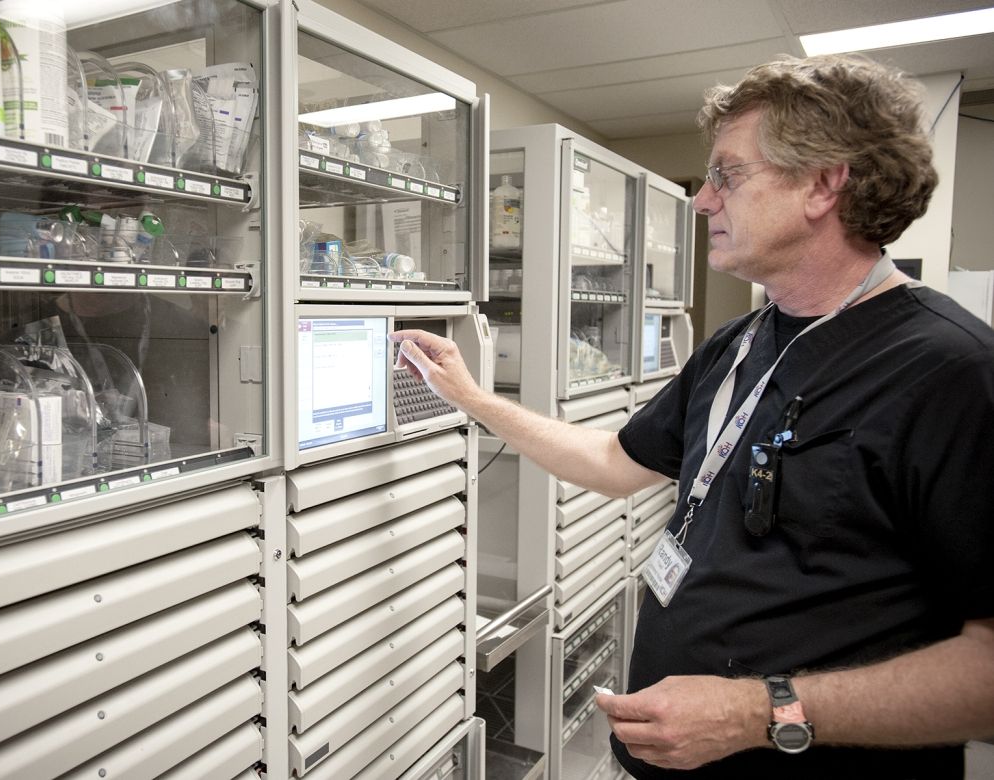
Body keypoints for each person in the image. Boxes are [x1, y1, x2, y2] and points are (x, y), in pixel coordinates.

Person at [391, 53, 994, 778]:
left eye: (728, 175)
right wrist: (473, 398)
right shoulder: (741, 344)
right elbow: (613, 463)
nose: (703, 201)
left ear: (823, 183)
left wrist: (757, 713)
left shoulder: (953, 373)